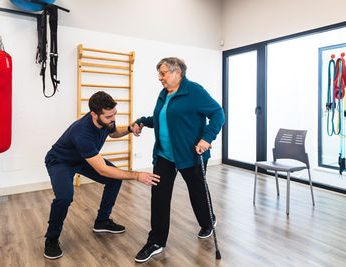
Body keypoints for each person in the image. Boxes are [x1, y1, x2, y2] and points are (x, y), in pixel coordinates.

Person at [43, 91, 160, 260]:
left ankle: (102, 221)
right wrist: (136, 175)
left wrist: (129, 128)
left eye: (115, 115)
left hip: (82, 158)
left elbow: (113, 133)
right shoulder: (82, 132)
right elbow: (102, 170)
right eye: (108, 117)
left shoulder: (105, 120)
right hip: (61, 161)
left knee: (115, 180)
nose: (113, 119)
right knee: (65, 197)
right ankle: (51, 239)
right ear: (94, 114)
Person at [132, 57, 225, 263]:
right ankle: (156, 241)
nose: (160, 78)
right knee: (159, 196)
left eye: (163, 73)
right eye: (159, 74)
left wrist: (206, 138)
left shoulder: (194, 91)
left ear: (177, 72)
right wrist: (141, 122)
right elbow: (162, 118)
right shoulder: (164, 93)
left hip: (191, 154)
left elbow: (218, 113)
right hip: (164, 155)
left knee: (197, 193)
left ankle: (207, 222)